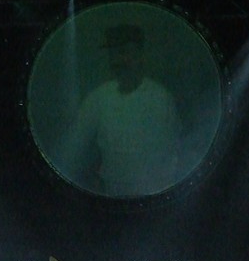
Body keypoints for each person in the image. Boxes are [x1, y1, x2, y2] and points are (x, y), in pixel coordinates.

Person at [61, 24, 183, 197]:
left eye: (124, 52)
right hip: (112, 195)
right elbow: (74, 147)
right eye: (113, 54)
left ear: (140, 55)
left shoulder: (161, 98)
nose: (118, 60)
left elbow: (174, 152)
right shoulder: (98, 98)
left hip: (154, 194)